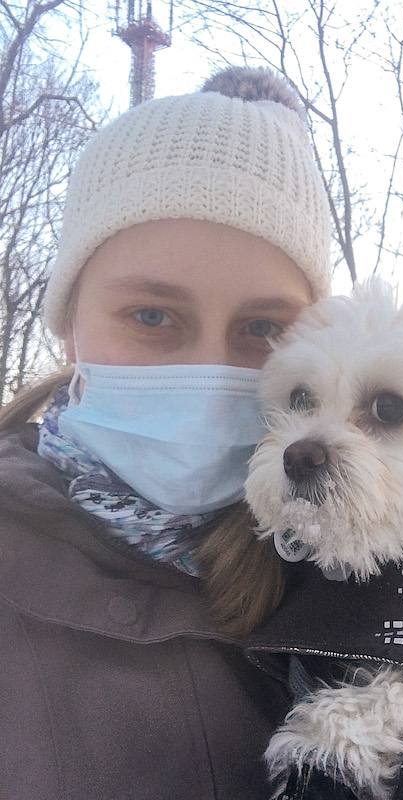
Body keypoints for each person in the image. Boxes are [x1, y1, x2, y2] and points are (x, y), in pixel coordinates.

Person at [0, 65, 331, 800]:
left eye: (263, 328)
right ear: (68, 331)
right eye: (152, 316)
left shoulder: (360, 567)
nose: (211, 376)